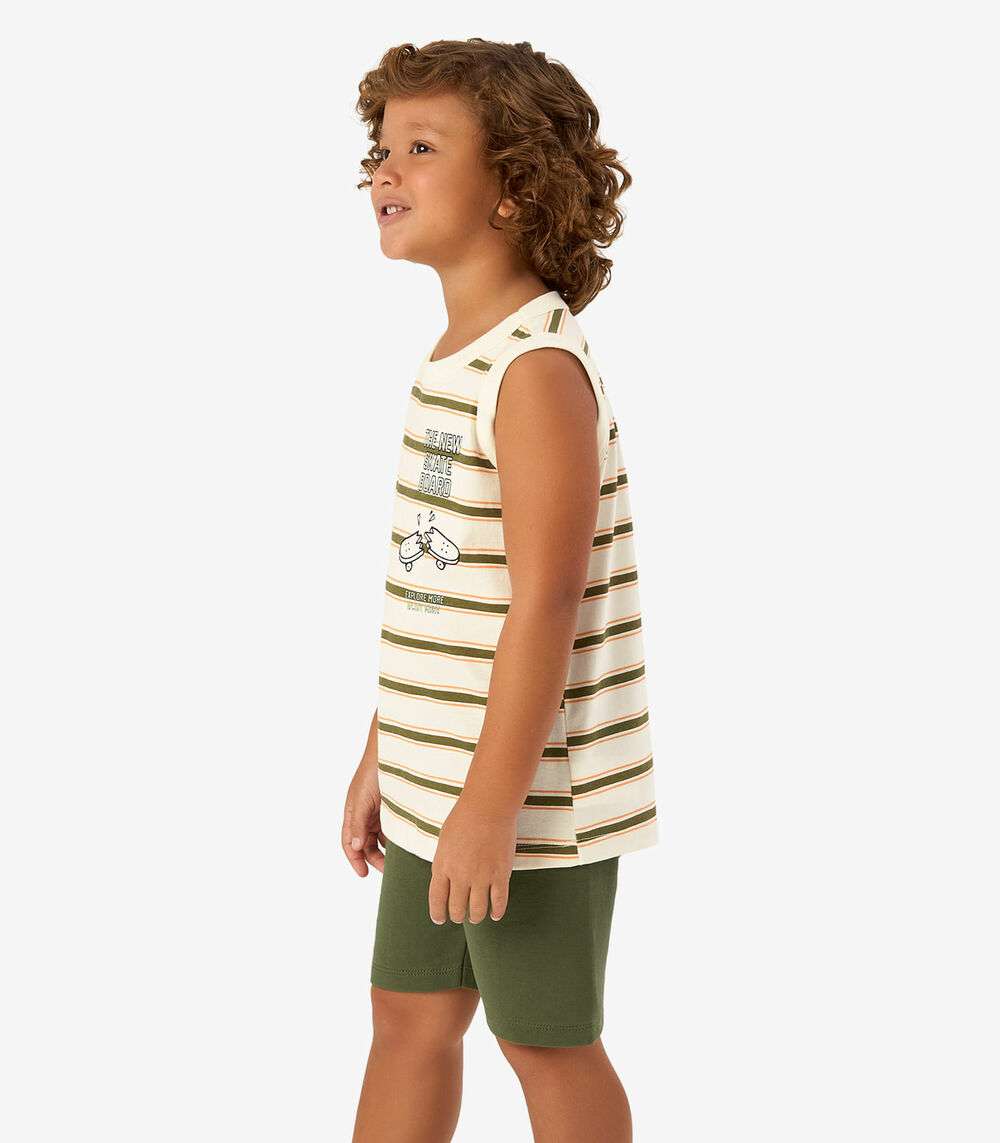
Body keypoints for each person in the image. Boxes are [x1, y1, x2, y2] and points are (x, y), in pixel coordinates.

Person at [343, 38, 659, 1142]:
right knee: (408, 1016)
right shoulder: (458, 358)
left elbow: (546, 604)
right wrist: (386, 751)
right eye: (381, 150)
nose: (385, 170)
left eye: (423, 149)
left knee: (545, 1041)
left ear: (514, 187)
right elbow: (437, 592)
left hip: (527, 805)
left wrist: (488, 806)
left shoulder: (533, 371)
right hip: (439, 777)